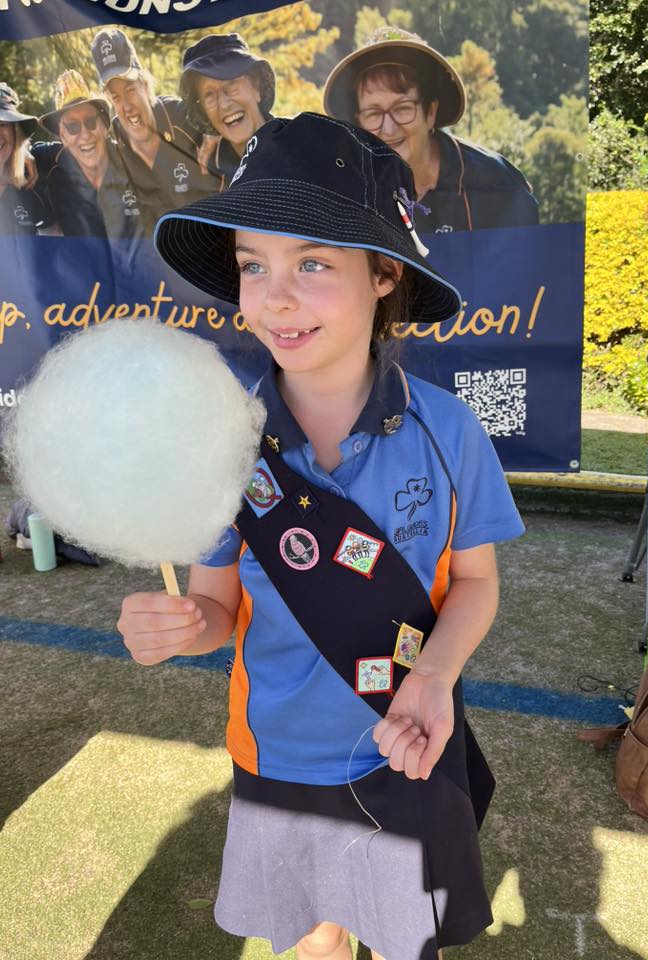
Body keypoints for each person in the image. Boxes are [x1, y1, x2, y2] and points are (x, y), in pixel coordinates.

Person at [118, 112, 524, 960]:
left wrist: (434, 680)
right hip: (276, 760)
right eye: (252, 264)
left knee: (409, 941)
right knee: (312, 944)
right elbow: (216, 605)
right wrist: (188, 627)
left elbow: (478, 585)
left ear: (384, 273)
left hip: (407, 744)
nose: (275, 295)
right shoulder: (222, 439)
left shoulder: (448, 432)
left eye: (312, 263)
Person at [323, 28, 539, 233]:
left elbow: (528, 267)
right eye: (373, 113)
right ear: (359, 124)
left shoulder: (497, 186)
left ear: (431, 113)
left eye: (403, 108)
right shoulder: (346, 195)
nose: (388, 128)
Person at [90, 27, 220, 225]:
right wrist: (26, 153)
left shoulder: (183, 116)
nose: (126, 106)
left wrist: (214, 131)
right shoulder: (113, 142)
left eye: (130, 90)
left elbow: (229, 125)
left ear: (144, 84)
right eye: (115, 97)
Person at [34, 70, 148, 238]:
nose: (85, 135)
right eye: (72, 127)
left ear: (104, 126)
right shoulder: (54, 175)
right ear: (62, 136)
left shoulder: (135, 163)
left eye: (90, 122)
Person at [180, 32, 275, 185]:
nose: (224, 105)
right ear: (204, 111)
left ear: (257, 86)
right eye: (209, 94)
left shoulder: (299, 147)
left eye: (231, 84)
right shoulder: (206, 175)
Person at [0, 82, 48, 235]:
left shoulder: (29, 186)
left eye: (2, 124)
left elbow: (53, 240)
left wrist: (22, 151)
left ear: (15, 132)